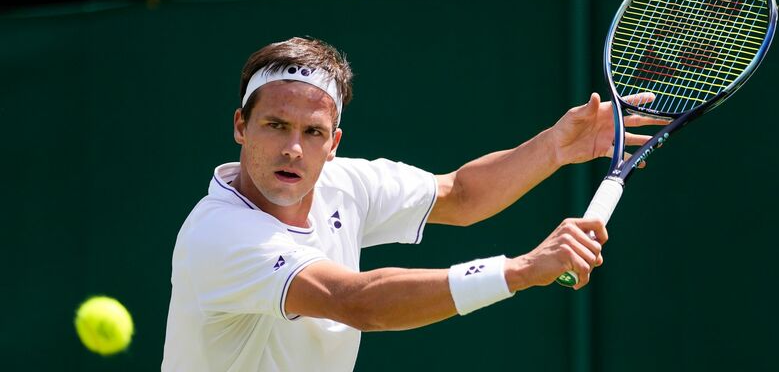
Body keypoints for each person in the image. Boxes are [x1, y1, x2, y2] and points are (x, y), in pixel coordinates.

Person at [162, 37, 663, 371]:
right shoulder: (218, 235)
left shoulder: (345, 184)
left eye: (312, 132)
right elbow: (356, 301)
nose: (293, 148)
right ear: (240, 126)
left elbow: (461, 196)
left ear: (333, 143)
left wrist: (556, 147)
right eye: (275, 125)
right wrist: (519, 270)